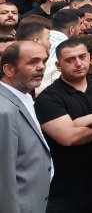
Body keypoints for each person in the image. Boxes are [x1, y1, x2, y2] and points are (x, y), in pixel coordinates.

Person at [35, 38, 92, 212]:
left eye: (82, 57)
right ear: (58, 65)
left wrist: (86, 121)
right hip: (68, 188)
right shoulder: (49, 98)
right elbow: (69, 137)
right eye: (70, 60)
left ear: (89, 58)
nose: (78, 63)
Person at [0, 41, 52, 213]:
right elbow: (4, 176)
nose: (42, 67)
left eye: (44, 61)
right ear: (9, 70)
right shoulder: (4, 111)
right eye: (33, 62)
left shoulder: (25, 97)